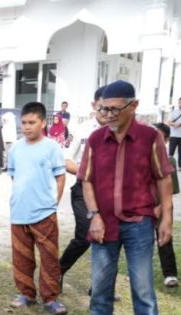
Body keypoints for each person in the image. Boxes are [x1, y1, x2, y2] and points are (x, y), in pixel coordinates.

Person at [78, 80, 173, 315]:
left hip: (139, 224)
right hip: (103, 225)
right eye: (103, 109)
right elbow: (87, 181)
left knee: (143, 287)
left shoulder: (150, 137)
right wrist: (93, 215)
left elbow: (163, 178)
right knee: (100, 284)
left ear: (133, 106)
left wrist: (166, 217)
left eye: (114, 109)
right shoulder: (95, 140)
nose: (108, 115)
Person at [7, 102, 67, 314]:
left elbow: (61, 177)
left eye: (32, 122)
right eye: (23, 122)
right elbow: (14, 176)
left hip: (44, 212)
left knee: (49, 256)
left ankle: (50, 298)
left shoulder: (52, 147)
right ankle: (26, 294)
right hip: (19, 211)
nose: (27, 127)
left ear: (42, 123)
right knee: (21, 256)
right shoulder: (15, 148)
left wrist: (53, 203)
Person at [59, 86, 107, 286]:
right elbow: (66, 159)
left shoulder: (121, 130)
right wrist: (86, 174)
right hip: (83, 190)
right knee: (85, 235)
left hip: (109, 192)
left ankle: (101, 287)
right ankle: (58, 270)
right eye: (102, 106)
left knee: (108, 239)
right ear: (94, 105)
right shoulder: (82, 130)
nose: (106, 112)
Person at [151, 123, 181, 288]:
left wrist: (160, 208)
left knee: (164, 238)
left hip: (162, 206)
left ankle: (170, 273)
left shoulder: (169, 161)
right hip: (142, 207)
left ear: (167, 139)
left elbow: (170, 191)